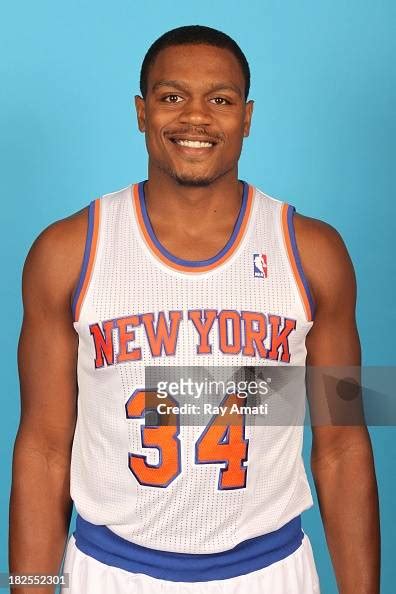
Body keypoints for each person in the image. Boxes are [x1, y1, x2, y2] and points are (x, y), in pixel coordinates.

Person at [9, 25, 380, 594]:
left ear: (248, 117)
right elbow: (42, 446)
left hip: (270, 570)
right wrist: (31, 586)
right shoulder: (65, 253)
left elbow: (344, 443)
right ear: (141, 111)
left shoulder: (314, 252)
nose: (196, 118)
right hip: (111, 571)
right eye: (172, 96)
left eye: (221, 100)